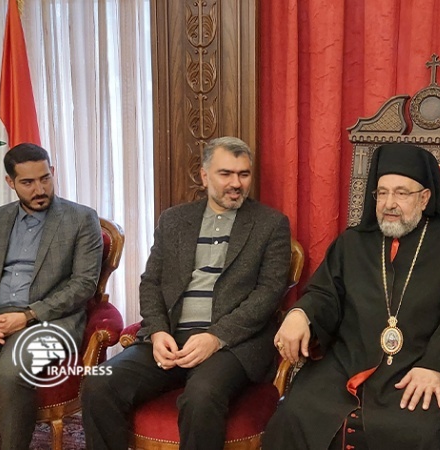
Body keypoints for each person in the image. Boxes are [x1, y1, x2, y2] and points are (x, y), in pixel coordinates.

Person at [263, 143, 440, 450]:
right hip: (347, 363)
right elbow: (324, 294)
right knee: (294, 415)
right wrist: (300, 314)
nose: (389, 203)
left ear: (425, 198)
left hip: (417, 368)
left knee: (426, 433)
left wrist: (436, 365)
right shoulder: (352, 243)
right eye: (382, 192)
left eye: (401, 193)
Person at [82, 136, 291, 450]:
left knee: (201, 396)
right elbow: (151, 282)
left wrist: (215, 337)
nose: (236, 183)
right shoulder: (174, 220)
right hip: (170, 337)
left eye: (243, 174)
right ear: (205, 176)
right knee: (99, 384)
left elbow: (268, 294)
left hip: (231, 345)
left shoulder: (271, 224)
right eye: (226, 174)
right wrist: (157, 332)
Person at [0, 143, 103, 450]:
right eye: (28, 182)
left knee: (11, 373)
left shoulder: (81, 219)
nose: (39, 189)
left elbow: (83, 286)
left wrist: (27, 315)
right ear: (10, 182)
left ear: (53, 172)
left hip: (50, 320)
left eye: (45, 178)